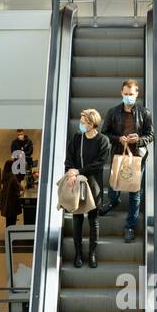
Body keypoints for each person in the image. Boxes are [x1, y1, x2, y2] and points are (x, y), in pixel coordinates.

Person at [99, 79, 153, 242]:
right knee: (114, 185)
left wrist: (139, 140)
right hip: (118, 155)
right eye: (126, 94)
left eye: (132, 94)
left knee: (135, 194)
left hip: (137, 157)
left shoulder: (145, 113)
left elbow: (151, 136)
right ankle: (113, 202)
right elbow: (104, 133)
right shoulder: (113, 112)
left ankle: (130, 226)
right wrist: (118, 139)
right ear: (122, 93)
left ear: (137, 94)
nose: (129, 97)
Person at [64, 109, 110, 268]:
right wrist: (70, 172)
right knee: (77, 219)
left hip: (93, 185)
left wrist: (79, 171)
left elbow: (99, 163)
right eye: (80, 121)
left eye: (83, 122)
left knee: (93, 220)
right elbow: (69, 158)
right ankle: (78, 254)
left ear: (92, 124)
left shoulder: (103, 141)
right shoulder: (77, 138)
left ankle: (92, 254)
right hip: (76, 184)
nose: (80, 125)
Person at [0, 158, 22, 229]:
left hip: (6, 201)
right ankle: (11, 235)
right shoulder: (12, 177)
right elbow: (18, 187)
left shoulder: (4, 175)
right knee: (12, 221)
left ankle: (8, 233)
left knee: (8, 221)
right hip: (12, 202)